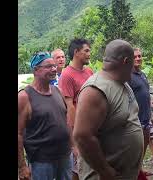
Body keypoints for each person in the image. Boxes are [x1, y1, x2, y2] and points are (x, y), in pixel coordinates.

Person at [73, 39, 144, 180]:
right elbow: (82, 136)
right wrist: (105, 170)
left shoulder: (122, 83)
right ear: (125, 61)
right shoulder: (95, 90)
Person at [18, 52, 72, 180]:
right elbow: (18, 134)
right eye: (48, 66)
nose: (54, 69)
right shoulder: (24, 97)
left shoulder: (57, 91)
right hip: (41, 162)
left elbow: (66, 121)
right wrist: (22, 167)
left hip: (65, 157)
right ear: (36, 70)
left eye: (54, 66)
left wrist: (74, 146)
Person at [58, 39, 93, 180]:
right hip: (79, 130)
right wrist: (74, 141)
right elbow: (69, 108)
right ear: (76, 52)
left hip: (92, 127)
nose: (89, 54)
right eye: (86, 51)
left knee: (91, 166)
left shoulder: (89, 71)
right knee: (77, 169)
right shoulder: (67, 75)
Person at [128, 48, 153, 177]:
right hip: (135, 119)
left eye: (139, 56)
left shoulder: (142, 74)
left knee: (144, 146)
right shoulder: (128, 76)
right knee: (135, 149)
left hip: (146, 118)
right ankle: (134, 173)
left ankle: (140, 170)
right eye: (135, 57)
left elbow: (146, 95)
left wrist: (150, 115)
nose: (138, 58)